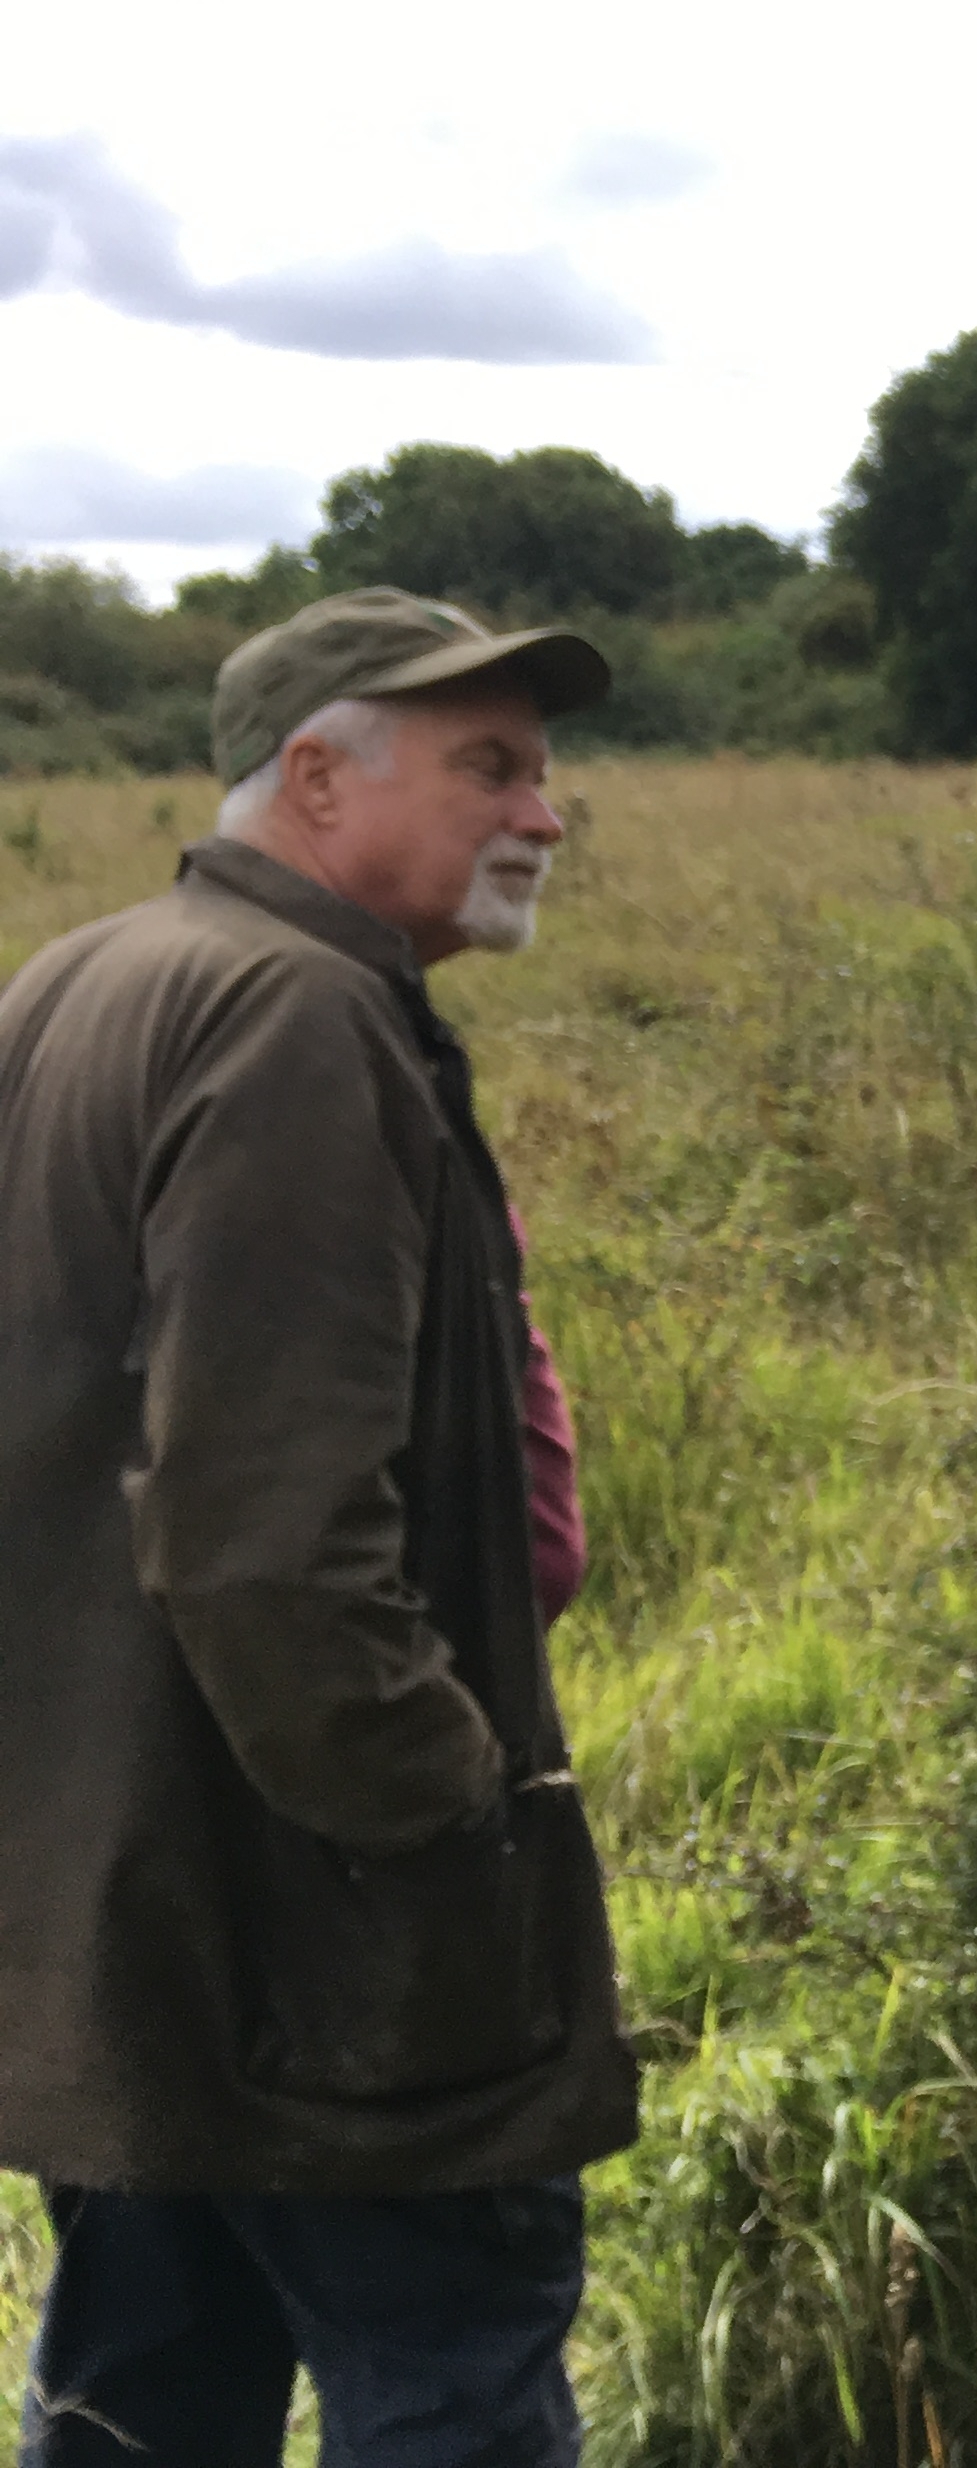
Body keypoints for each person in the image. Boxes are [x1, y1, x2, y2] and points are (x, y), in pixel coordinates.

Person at [0, 590, 640, 2466]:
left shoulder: (78, 977)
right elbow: (263, 1544)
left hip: (127, 1906)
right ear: (315, 778)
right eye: (492, 768)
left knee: (147, 2397)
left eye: (542, 770)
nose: (543, 814)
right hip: (319, 1937)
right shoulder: (294, 1017)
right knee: (451, 2385)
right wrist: (446, 1827)